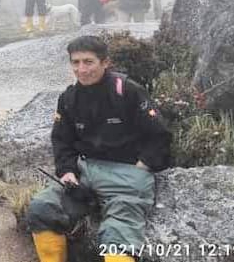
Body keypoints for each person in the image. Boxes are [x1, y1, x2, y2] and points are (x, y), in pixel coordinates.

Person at [26, 36, 171, 262]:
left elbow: (159, 135)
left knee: (117, 235)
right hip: (85, 173)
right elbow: (62, 140)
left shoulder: (128, 91)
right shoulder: (69, 98)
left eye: (88, 62)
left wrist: (143, 166)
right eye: (76, 62)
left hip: (127, 177)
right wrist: (67, 171)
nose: (82, 70)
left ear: (105, 62)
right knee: (42, 208)